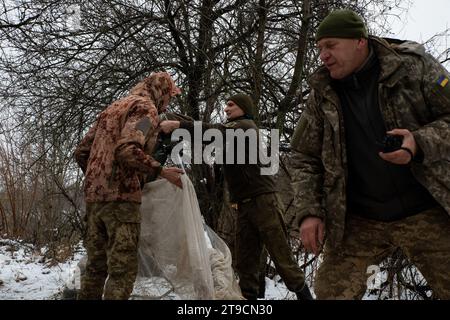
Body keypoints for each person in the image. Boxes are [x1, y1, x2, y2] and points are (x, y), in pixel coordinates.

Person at [290, 9, 450, 299]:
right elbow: (304, 155)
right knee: (331, 292)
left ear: (360, 41)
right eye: (319, 48)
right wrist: (309, 212)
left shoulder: (412, 68)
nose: (323, 55)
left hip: (426, 208)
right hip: (362, 217)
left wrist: (418, 143)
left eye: (331, 45)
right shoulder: (322, 94)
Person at [160, 94, 313, 300]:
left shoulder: (244, 127)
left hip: (263, 200)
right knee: (245, 262)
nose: (226, 109)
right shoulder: (231, 133)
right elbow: (207, 135)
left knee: (281, 255)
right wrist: (171, 119)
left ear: (244, 107)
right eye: (226, 105)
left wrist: (178, 124)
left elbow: (211, 132)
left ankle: (305, 297)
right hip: (244, 204)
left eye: (231, 105)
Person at [74, 72, 184, 300]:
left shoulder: (113, 108)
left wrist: (99, 180)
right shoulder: (146, 110)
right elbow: (128, 149)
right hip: (121, 203)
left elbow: (82, 151)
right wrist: (161, 171)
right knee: (121, 272)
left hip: (95, 201)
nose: (168, 103)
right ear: (161, 92)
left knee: (95, 268)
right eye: (169, 97)